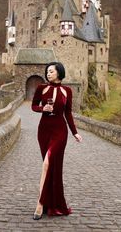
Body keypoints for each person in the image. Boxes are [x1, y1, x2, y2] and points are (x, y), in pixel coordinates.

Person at [31, 61, 82, 220]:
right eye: (47, 71)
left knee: (48, 163)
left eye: (51, 71)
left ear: (59, 72)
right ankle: (49, 203)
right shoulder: (41, 88)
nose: (48, 73)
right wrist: (42, 109)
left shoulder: (67, 91)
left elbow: (68, 114)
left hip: (60, 131)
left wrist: (74, 132)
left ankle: (40, 204)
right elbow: (33, 105)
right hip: (44, 130)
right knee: (49, 167)